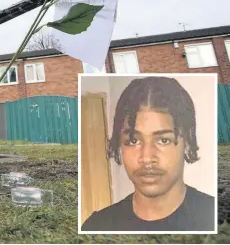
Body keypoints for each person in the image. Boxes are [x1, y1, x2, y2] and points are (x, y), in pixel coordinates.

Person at [82, 76, 215, 232]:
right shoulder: (97, 227)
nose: (146, 158)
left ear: (186, 142)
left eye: (163, 140)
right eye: (133, 141)